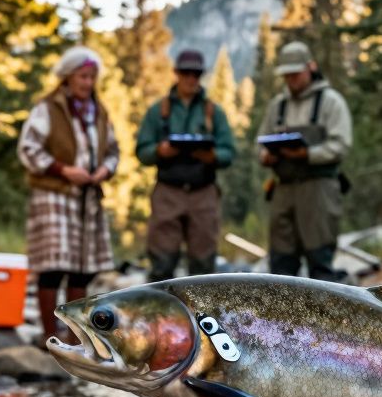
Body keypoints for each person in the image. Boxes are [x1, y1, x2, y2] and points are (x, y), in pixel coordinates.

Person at [17, 46, 120, 339]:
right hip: (54, 195)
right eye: (83, 76)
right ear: (68, 77)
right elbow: (28, 148)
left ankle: (75, 337)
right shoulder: (47, 108)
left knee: (82, 269)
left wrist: (104, 170)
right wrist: (62, 169)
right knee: (52, 267)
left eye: (92, 77)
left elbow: (113, 150)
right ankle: (49, 335)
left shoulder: (99, 113)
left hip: (87, 198)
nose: (88, 83)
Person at [135, 49, 236, 281]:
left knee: (203, 264)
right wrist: (159, 151)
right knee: (162, 261)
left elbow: (229, 152)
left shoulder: (213, 112)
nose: (191, 78)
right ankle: (160, 314)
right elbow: (142, 151)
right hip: (168, 191)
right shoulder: (158, 111)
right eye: (186, 72)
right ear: (176, 73)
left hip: (204, 192)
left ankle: (200, 315)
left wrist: (212, 156)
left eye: (196, 73)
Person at [257, 41, 352, 281]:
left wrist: (307, 154)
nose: (291, 79)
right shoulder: (277, 106)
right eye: (287, 75)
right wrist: (266, 156)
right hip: (283, 189)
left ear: (311, 67)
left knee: (320, 264)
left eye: (296, 73)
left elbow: (341, 145)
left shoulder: (331, 102)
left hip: (319, 189)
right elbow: (259, 145)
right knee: (280, 265)